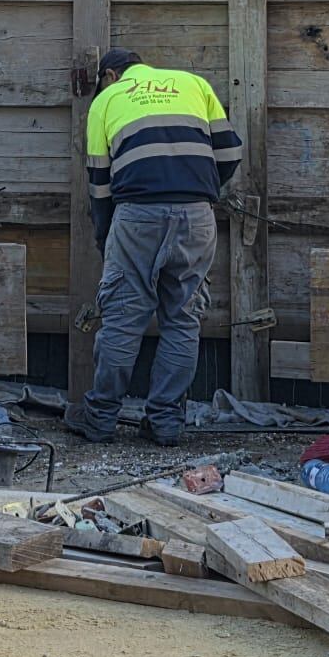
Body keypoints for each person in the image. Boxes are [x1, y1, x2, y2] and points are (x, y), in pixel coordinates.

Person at [67, 50, 242, 446]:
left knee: (122, 319)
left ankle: (100, 419)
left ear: (110, 76)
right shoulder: (194, 84)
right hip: (197, 216)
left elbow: (99, 183)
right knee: (182, 318)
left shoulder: (106, 100)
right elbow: (231, 153)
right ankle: (165, 423)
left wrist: (105, 235)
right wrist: (199, 189)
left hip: (137, 215)